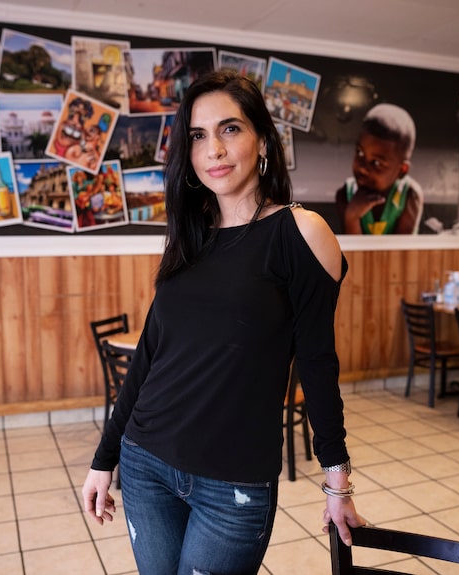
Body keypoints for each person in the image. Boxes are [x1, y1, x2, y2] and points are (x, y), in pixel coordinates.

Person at [82, 69, 364, 574]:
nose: (213, 148)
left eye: (230, 129)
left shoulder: (301, 232)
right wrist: (104, 458)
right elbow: (150, 353)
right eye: (198, 135)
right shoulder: (189, 235)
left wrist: (337, 482)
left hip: (232, 484)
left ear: (262, 141)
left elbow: (319, 365)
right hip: (146, 462)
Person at [332, 103, 423, 234]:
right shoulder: (345, 195)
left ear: (402, 170)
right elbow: (352, 254)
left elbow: (401, 253)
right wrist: (351, 218)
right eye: (360, 153)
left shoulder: (409, 196)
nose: (363, 169)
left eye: (376, 163)